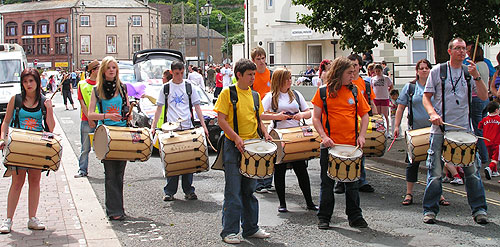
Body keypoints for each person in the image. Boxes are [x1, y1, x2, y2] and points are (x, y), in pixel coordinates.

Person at [422, 37, 488, 224]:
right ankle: (430, 210)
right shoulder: (438, 71)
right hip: (440, 129)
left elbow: (483, 96)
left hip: (465, 130)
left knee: (472, 172)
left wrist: (476, 76)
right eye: (457, 48)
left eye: (463, 49)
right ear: (449, 51)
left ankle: (479, 209)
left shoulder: (469, 72)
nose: (462, 51)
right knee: (435, 172)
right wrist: (433, 113)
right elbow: (426, 98)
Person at [214, 58, 272, 244]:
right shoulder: (228, 93)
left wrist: (265, 133)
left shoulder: (255, 96)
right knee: (233, 191)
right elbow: (221, 120)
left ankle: (251, 228)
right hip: (233, 147)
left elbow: (258, 118)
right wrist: (236, 138)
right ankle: (229, 232)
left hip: (252, 146)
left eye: (254, 74)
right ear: (239, 75)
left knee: (249, 190)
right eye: (249, 75)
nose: (253, 78)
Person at [311, 57, 370, 229]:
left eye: (354, 72)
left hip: (351, 146)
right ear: (339, 73)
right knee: (327, 183)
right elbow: (315, 118)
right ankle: (324, 217)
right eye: (349, 73)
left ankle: (355, 216)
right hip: (330, 147)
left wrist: (362, 135)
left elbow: (365, 115)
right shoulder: (323, 92)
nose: (353, 75)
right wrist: (324, 137)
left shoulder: (355, 91)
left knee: (352, 183)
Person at [0, 68, 55, 233]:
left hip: (37, 147)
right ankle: (8, 220)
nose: (28, 85)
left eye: (31, 81)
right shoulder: (15, 100)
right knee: (17, 182)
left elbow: (51, 128)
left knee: (35, 181)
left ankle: (32, 218)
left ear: (37, 82)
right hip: (18, 147)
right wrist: (3, 138)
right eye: (25, 81)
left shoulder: (44, 101)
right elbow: (6, 122)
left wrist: (50, 109)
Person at [260, 68, 318, 213]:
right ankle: (282, 203)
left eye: (290, 78)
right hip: (279, 136)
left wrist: (301, 115)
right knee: (279, 170)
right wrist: (277, 117)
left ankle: (309, 202)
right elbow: (260, 115)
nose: (289, 81)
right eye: (286, 78)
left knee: (301, 170)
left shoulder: (296, 95)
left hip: (295, 136)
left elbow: (308, 112)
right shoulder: (271, 97)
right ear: (279, 80)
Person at [393, 59, 449, 206]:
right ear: (417, 71)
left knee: (437, 163)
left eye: (426, 68)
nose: (424, 70)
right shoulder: (410, 87)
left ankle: (439, 194)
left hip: (434, 131)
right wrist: (396, 126)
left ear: (430, 70)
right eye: (421, 68)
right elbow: (400, 107)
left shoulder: (436, 87)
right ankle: (409, 194)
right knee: (413, 164)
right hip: (415, 132)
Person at [151, 60, 208, 202]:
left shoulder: (190, 87)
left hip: (188, 127)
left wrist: (203, 125)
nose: (179, 76)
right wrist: (153, 127)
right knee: (172, 160)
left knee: (189, 160)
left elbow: (197, 107)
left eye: (182, 73)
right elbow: (159, 108)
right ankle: (170, 191)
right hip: (171, 129)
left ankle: (189, 190)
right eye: (177, 73)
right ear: (172, 72)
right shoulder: (165, 88)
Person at [87, 56, 132, 221]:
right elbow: (90, 114)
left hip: (122, 133)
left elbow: (127, 108)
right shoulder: (97, 90)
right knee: (110, 172)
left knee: (120, 172)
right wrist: (107, 115)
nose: (112, 70)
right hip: (106, 134)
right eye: (109, 68)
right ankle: (113, 210)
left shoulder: (122, 88)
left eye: (114, 68)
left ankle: (119, 208)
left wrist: (128, 113)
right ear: (104, 71)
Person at [335, 54, 377, 195]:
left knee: (359, 154)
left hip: (359, 122)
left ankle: (361, 180)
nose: (353, 68)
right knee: (343, 154)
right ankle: (341, 181)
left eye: (355, 65)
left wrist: (376, 118)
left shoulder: (364, 84)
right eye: (350, 65)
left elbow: (369, 103)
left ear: (359, 66)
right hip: (345, 126)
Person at [251, 47, 274, 193]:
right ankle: (258, 182)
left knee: (270, 147)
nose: (261, 61)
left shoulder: (271, 74)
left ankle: (268, 181)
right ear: (253, 61)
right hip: (256, 116)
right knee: (259, 148)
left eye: (263, 58)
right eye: (258, 59)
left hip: (270, 115)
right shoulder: (252, 76)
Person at [74, 60, 100, 178]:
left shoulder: (102, 84)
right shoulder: (82, 84)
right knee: (85, 147)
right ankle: (82, 169)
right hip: (86, 119)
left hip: (101, 119)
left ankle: (108, 171)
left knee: (104, 146)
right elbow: (82, 103)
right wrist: (89, 117)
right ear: (93, 71)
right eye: (99, 68)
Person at [468, 46, 490, 168]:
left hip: (476, 98)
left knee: (478, 129)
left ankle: (483, 156)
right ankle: (486, 154)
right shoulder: (485, 65)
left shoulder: (475, 67)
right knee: (484, 128)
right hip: (485, 99)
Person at [478, 101, 500, 180]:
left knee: (491, 157)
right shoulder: (499, 119)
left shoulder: (484, 119)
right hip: (497, 142)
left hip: (487, 142)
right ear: (496, 110)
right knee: (495, 159)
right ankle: (490, 168)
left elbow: (479, 127)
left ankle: (494, 171)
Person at [371, 63, 394, 137]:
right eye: (376, 71)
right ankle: (379, 130)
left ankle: (387, 131)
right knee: (378, 115)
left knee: (385, 115)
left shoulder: (386, 78)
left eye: (379, 71)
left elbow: (391, 85)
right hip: (376, 98)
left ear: (382, 70)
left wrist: (389, 92)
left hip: (384, 98)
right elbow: (371, 88)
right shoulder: (373, 79)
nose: (378, 72)